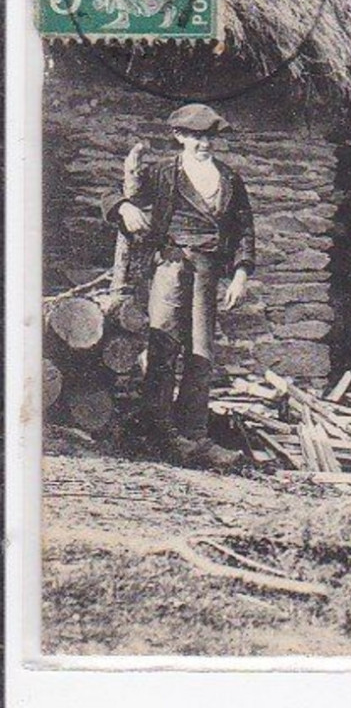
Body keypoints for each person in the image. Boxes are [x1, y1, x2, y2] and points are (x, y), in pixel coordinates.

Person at [102, 104, 253, 469]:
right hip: (170, 266)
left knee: (201, 354)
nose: (204, 144)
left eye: (210, 137)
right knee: (164, 345)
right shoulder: (164, 173)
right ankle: (159, 433)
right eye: (197, 137)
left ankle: (195, 437)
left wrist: (241, 272)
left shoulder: (230, 179)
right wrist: (123, 206)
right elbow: (113, 193)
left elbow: (244, 229)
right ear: (180, 137)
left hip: (207, 270)